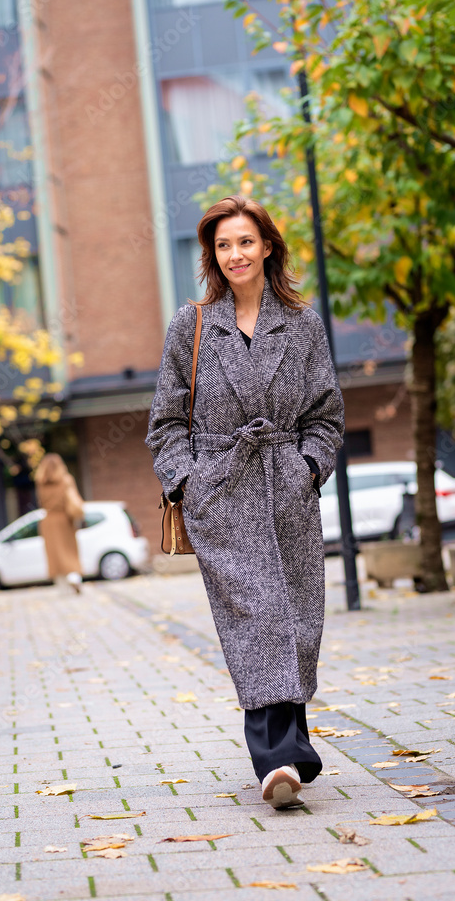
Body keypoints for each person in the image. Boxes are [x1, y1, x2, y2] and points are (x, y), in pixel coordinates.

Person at [146, 195, 345, 809]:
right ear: (213, 255)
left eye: (246, 242)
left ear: (268, 247)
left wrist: (308, 468)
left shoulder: (303, 324)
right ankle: (277, 760)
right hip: (222, 496)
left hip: (288, 490)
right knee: (254, 622)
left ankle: (293, 753)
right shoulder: (191, 325)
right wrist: (188, 483)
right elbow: (165, 423)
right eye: (224, 245)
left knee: (296, 624)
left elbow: (327, 416)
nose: (236, 254)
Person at [34, 453, 85, 594]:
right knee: (69, 550)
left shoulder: (40, 482)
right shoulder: (66, 480)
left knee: (54, 555)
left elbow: (40, 502)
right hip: (65, 519)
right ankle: (74, 577)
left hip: (48, 520)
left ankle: (62, 588)